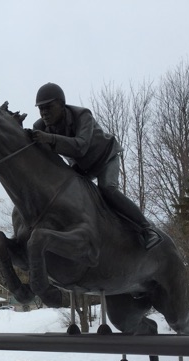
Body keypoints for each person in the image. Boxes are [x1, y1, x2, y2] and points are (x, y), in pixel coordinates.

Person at [29, 82, 162, 249]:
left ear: (62, 105)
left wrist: (50, 139)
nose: (44, 113)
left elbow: (80, 146)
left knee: (107, 189)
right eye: (41, 109)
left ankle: (147, 229)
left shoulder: (82, 115)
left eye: (49, 107)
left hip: (105, 158)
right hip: (82, 166)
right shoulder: (40, 126)